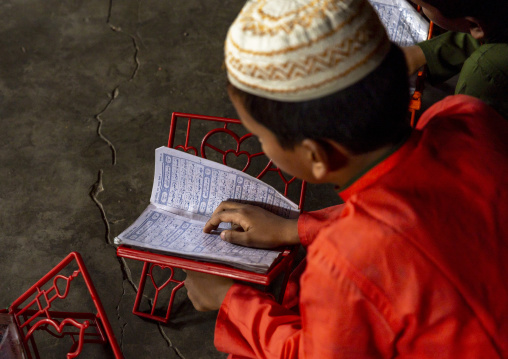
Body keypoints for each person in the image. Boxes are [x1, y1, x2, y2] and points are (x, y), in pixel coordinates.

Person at [184, 0, 508, 357]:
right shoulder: (467, 118)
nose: (262, 145)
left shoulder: (341, 266)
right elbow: (421, 223)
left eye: (261, 136)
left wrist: (230, 300)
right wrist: (300, 228)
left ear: (314, 156)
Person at [402, 0, 508, 119]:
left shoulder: (482, 77)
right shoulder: (494, 16)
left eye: (422, 7)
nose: (421, 10)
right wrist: (425, 52)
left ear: (475, 26)